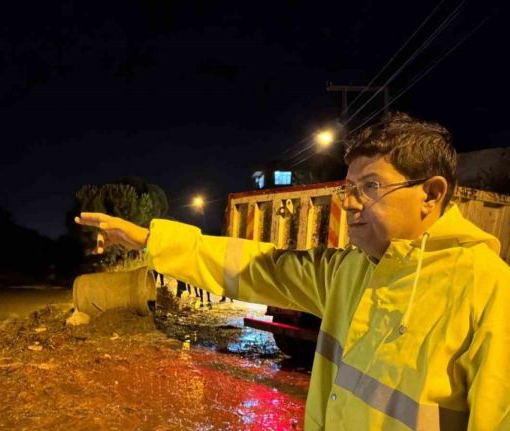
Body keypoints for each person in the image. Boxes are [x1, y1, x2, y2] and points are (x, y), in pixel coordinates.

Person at [75, 113, 510, 431]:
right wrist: (149, 240)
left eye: (371, 187)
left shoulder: (488, 289)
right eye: (349, 188)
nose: (350, 202)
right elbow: (252, 265)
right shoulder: (351, 271)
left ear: (431, 195)